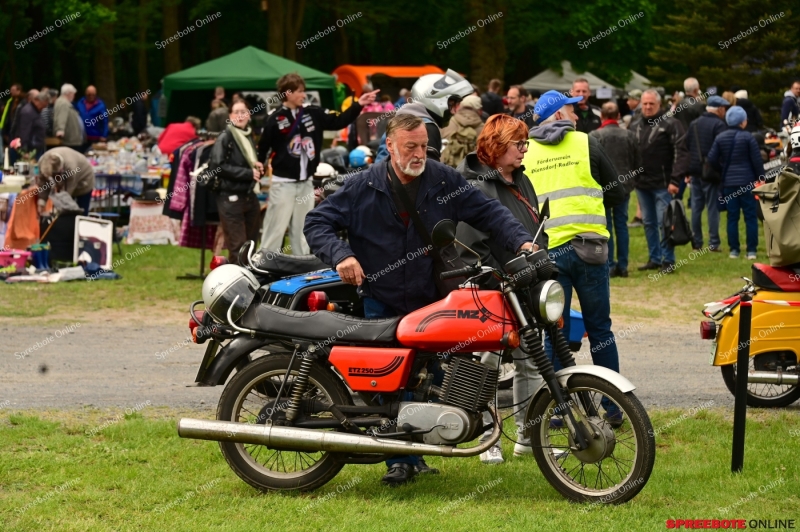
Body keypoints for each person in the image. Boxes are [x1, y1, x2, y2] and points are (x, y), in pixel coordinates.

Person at [304, 113, 535, 486]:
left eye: (423, 145)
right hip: (382, 294)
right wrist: (342, 255)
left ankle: (419, 448)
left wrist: (521, 240)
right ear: (390, 145)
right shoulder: (362, 185)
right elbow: (316, 223)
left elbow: (489, 212)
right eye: (410, 145)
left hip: (431, 295)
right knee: (389, 380)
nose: (418, 152)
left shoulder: (445, 179)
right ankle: (398, 458)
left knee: (428, 375)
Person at [524, 90, 626, 426]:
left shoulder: (526, 150)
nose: (577, 116)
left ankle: (557, 412)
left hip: (548, 254)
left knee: (553, 332)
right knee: (600, 330)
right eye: (571, 109)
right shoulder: (586, 142)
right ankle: (614, 408)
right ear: (556, 115)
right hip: (589, 248)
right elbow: (617, 192)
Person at [455, 114, 546, 464]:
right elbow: (470, 244)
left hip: (524, 285)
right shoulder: (477, 186)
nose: (524, 150)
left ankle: (527, 435)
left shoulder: (523, 182)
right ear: (496, 146)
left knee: (531, 364)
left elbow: (534, 225)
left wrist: (538, 254)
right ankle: (488, 439)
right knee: (488, 365)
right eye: (517, 144)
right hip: (493, 289)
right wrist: (501, 276)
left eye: (526, 143)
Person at [257, 72, 378, 255]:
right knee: (275, 229)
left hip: (306, 183)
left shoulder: (312, 112)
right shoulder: (275, 118)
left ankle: (301, 267)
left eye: (304, 91)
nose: (303, 95)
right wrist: (258, 165)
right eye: (299, 91)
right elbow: (263, 146)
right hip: (283, 184)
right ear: (287, 93)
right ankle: (264, 266)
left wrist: (358, 104)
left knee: (302, 232)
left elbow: (338, 121)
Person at [629, 89, 690, 273]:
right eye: (645, 103)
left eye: (651, 104)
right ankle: (654, 258)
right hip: (642, 184)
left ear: (659, 104)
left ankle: (668, 260)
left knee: (664, 222)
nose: (647, 107)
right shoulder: (634, 125)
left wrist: (675, 180)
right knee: (648, 222)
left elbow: (682, 153)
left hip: (664, 184)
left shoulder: (672, 124)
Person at [590, 102, 642, 278]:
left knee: (607, 227)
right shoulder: (629, 135)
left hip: (603, 187)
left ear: (602, 116)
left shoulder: (594, 136)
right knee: (622, 225)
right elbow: (637, 162)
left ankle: (610, 264)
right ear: (618, 116)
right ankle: (623, 264)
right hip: (624, 186)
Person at [208, 101, 264, 265]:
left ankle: (251, 281)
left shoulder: (248, 135)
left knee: (252, 244)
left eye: (243, 111)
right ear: (230, 116)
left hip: (249, 195)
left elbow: (246, 161)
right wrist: (248, 173)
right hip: (230, 197)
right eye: (236, 112)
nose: (240, 115)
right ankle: (236, 284)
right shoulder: (226, 136)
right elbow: (217, 166)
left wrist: (256, 165)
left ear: (249, 114)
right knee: (237, 246)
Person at [707, 106, 764, 260]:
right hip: (747, 182)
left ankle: (734, 250)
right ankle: (751, 250)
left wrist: (722, 169)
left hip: (729, 183)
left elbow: (711, 159)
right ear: (742, 122)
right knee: (750, 216)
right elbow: (757, 160)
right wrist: (760, 177)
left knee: (732, 217)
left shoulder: (720, 137)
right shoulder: (748, 137)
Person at [685, 95, 730, 253]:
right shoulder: (719, 125)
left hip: (695, 170)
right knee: (712, 207)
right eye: (724, 108)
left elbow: (687, 145)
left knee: (696, 207)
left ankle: (696, 242)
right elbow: (723, 149)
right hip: (711, 172)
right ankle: (713, 243)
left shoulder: (694, 124)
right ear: (719, 109)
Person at [36, 147, 96, 216]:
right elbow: (43, 182)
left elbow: (66, 196)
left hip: (84, 180)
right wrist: (41, 203)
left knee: (80, 214)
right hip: (66, 177)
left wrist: (57, 211)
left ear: (59, 170)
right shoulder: (43, 162)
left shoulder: (71, 168)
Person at [441, 94, 484, 168]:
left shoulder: (448, 123)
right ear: (480, 111)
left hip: (446, 169)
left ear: (460, 106)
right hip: (472, 173)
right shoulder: (484, 129)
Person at [11, 91, 49, 160]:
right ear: (39, 101)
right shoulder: (28, 112)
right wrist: (24, 150)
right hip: (30, 150)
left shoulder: (35, 111)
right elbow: (24, 132)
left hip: (35, 148)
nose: (44, 107)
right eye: (44, 105)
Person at [53, 84, 85, 151]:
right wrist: (60, 130)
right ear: (69, 93)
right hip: (70, 141)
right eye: (73, 94)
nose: (74, 96)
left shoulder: (64, 102)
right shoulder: (63, 103)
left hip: (72, 140)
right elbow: (61, 117)